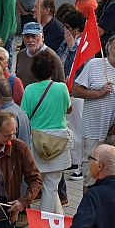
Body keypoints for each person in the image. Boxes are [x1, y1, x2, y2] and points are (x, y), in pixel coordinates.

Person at [71, 35, 115, 187]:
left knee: (114, 178)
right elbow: (76, 91)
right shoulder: (94, 64)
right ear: (108, 50)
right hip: (93, 132)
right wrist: (99, 92)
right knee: (91, 178)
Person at [19, 51, 72, 214]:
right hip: (59, 141)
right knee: (51, 185)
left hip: (37, 140)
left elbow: (24, 114)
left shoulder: (29, 89)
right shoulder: (61, 87)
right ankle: (49, 223)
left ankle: (54, 219)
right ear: (52, 70)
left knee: (44, 185)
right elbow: (68, 109)